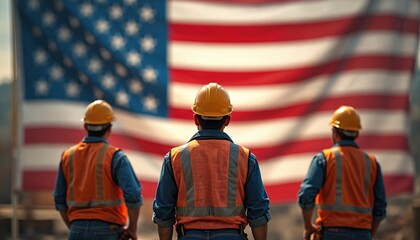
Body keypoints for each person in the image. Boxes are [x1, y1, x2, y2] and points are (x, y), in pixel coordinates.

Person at [152, 83, 271, 240]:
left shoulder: (175, 158)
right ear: (227, 120)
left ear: (195, 119)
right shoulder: (246, 158)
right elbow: (258, 212)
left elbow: (164, 212)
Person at [53, 100, 143, 240]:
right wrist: (132, 229)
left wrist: (75, 228)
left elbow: (59, 200)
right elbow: (133, 195)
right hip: (107, 231)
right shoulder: (115, 157)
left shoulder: (67, 156)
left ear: (85, 126)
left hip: (76, 230)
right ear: (109, 128)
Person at [298, 105, 387, 240]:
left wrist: (308, 226)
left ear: (334, 132)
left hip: (332, 232)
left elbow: (306, 195)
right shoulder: (372, 162)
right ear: (357, 133)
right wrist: (368, 234)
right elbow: (380, 207)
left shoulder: (324, 159)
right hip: (363, 233)